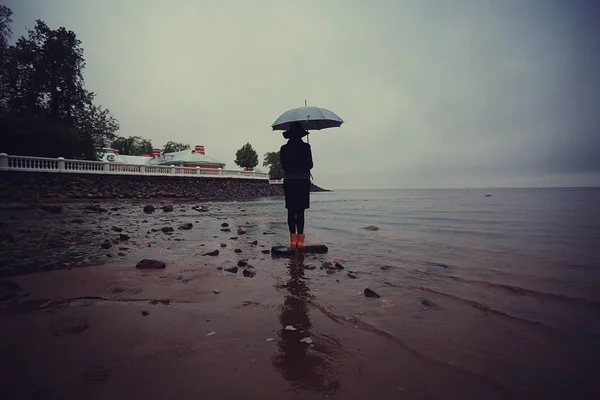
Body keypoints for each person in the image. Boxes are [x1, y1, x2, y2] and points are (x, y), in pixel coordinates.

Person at [280, 121, 313, 249]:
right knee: (300, 211)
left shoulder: (284, 148)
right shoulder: (306, 147)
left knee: (291, 210)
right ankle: (300, 241)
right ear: (301, 135)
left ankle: (292, 240)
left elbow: (284, 166)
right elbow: (310, 165)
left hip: (289, 181)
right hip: (303, 181)